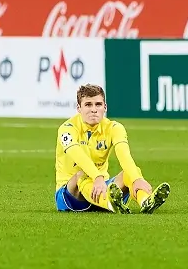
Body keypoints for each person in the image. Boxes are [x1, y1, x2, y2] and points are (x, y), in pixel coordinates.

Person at [55, 84, 171, 213]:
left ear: (105, 107)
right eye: (88, 105)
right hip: (71, 194)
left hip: (101, 188)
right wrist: (97, 177)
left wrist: (137, 179)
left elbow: (124, 154)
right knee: (80, 175)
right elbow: (77, 154)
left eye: (98, 104)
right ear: (79, 108)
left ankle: (145, 201)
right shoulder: (67, 129)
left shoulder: (114, 128)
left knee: (130, 173)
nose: (94, 109)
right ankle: (110, 204)